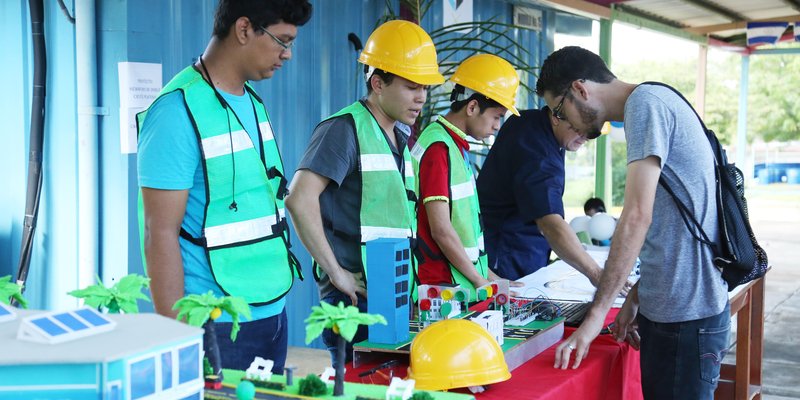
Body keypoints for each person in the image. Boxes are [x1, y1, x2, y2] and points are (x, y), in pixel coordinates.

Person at [542, 47, 729, 400]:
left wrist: (596, 315)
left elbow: (636, 216)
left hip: (684, 319)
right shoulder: (656, 99)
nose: (563, 122)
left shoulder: (644, 105)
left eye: (558, 109)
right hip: (682, 310)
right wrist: (638, 295)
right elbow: (675, 225)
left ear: (580, 89)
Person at [137, 0, 312, 374]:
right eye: (282, 40)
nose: (288, 54)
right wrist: (178, 342)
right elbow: (159, 233)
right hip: (215, 323)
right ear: (245, 29)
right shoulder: (175, 110)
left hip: (272, 312)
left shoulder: (253, 102)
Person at [284, 20, 444, 367]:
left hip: (390, 296)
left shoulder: (399, 139)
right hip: (353, 302)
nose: (421, 97)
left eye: (425, 88)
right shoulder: (343, 130)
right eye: (412, 86)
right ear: (377, 83)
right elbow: (298, 198)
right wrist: (336, 273)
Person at [410, 54, 523, 300]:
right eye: (496, 116)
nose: (497, 126)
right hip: (443, 288)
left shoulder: (451, 145)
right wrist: (480, 281)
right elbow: (441, 229)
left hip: (455, 284)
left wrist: (493, 279)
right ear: (472, 107)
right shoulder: (438, 149)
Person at [476, 106, 605, 285]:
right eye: (580, 128)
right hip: (507, 256)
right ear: (556, 116)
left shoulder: (534, 123)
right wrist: (596, 273)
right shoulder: (536, 146)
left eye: (592, 132)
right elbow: (551, 225)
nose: (585, 137)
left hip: (523, 250)